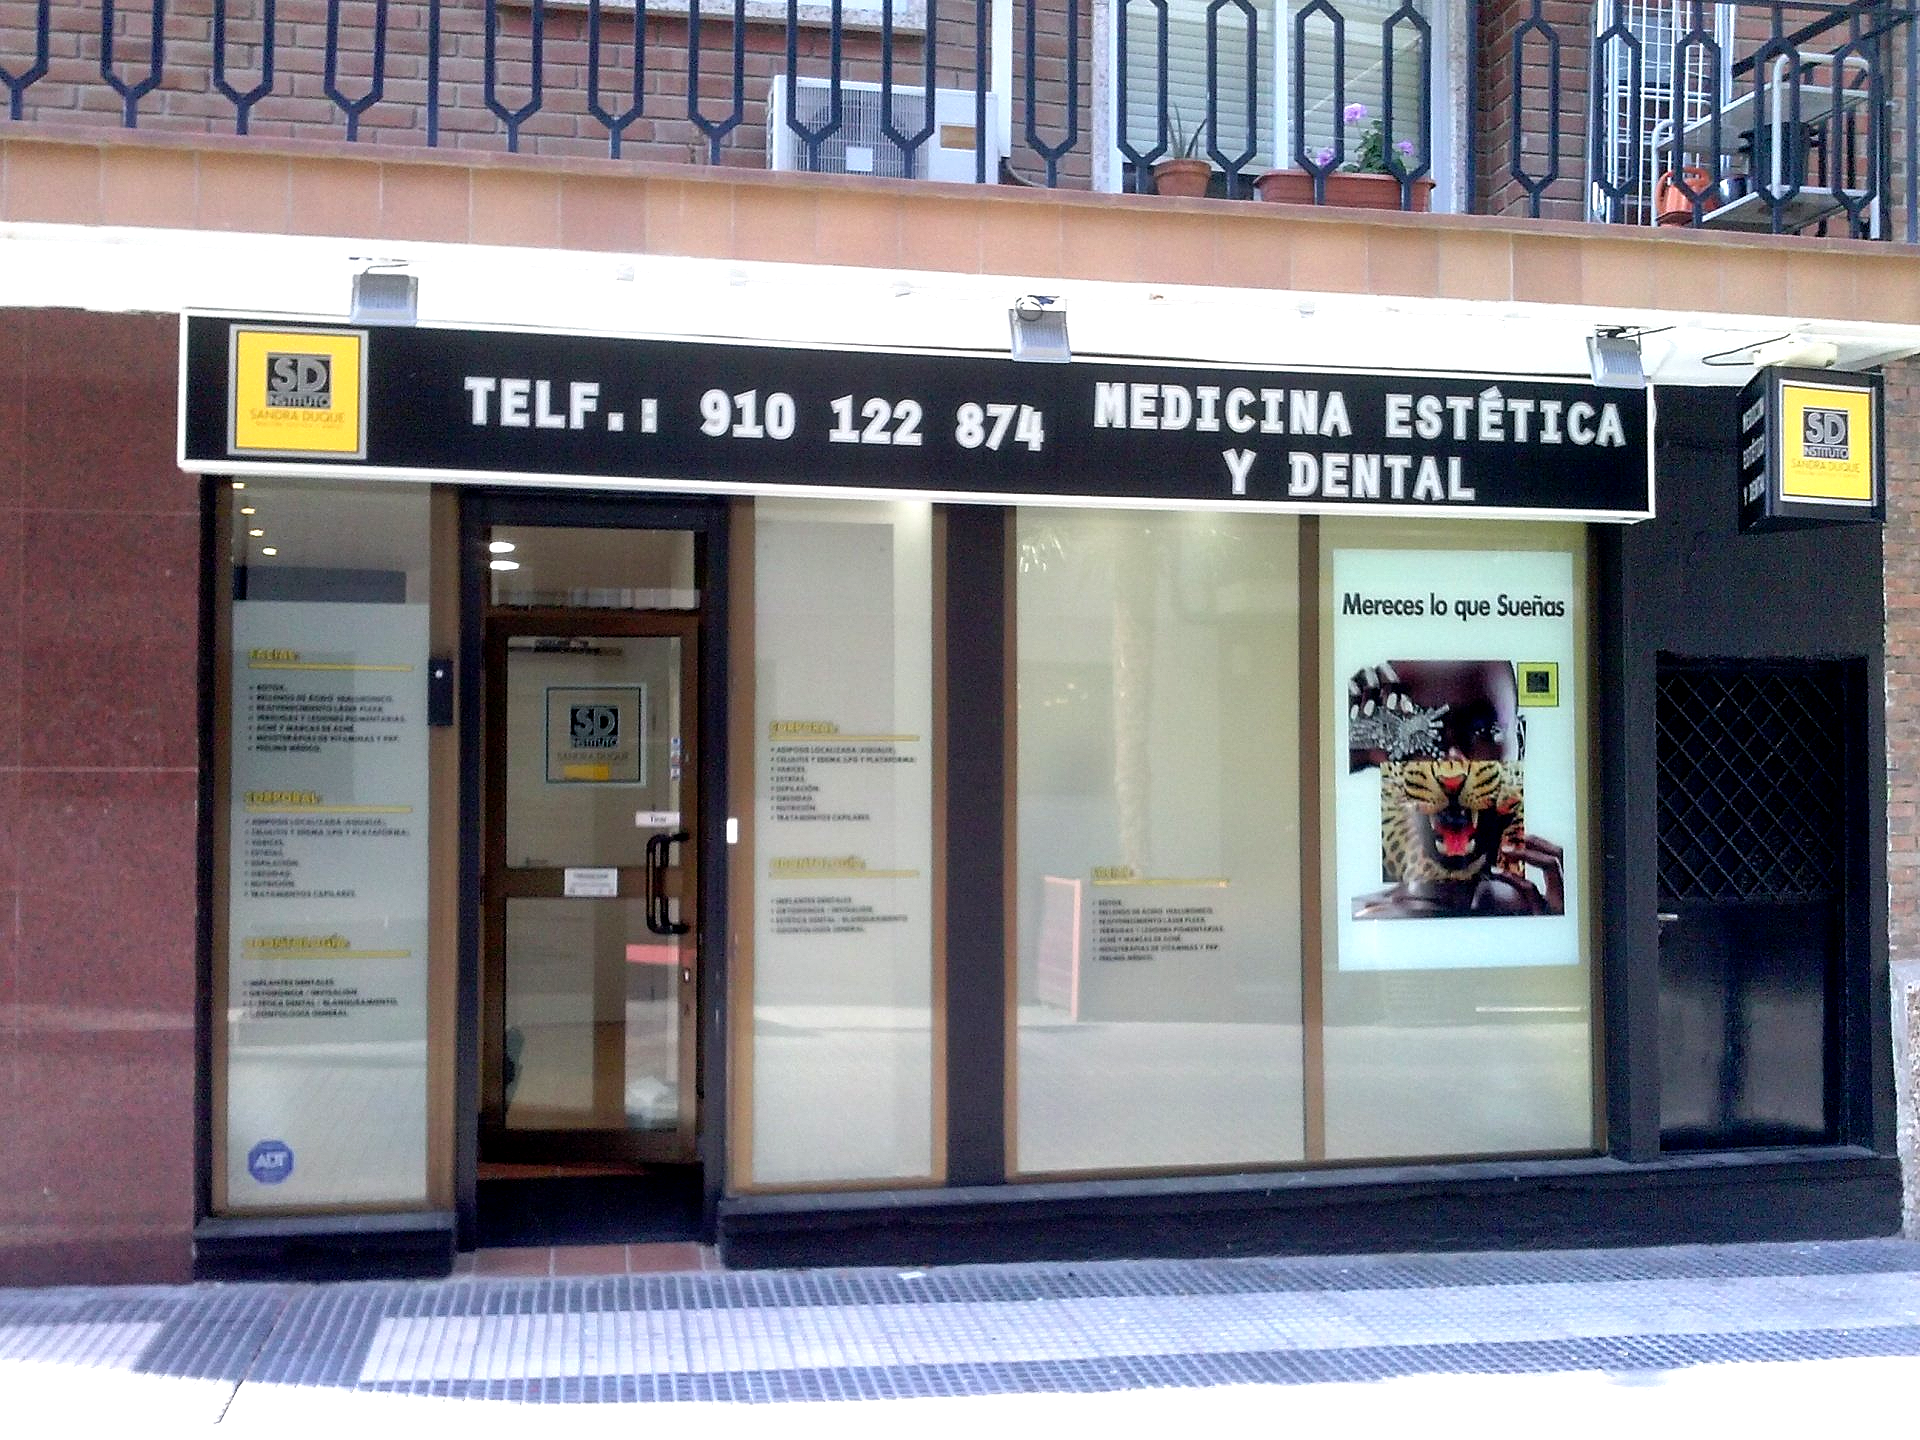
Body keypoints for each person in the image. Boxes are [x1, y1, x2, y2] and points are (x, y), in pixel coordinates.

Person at [1347, 659, 1563, 918]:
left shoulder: (1539, 912)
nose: (1452, 764)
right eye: (1419, 736)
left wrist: (1558, 930)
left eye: (1482, 731)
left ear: (1520, 740)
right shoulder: (1359, 919)